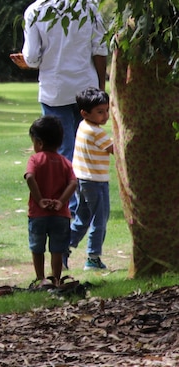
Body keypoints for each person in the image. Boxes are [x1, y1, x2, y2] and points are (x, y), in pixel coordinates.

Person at [10, 0, 109, 163]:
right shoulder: (87, 3)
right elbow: (99, 47)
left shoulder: (35, 11)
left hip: (55, 92)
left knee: (62, 150)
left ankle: (67, 195)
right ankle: (85, 194)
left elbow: (32, 56)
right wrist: (100, 86)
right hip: (86, 87)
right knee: (87, 150)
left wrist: (26, 63)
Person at [24, 116, 78, 288]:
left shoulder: (35, 159)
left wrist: (39, 200)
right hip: (60, 215)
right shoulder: (65, 163)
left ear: (38, 143)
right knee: (57, 249)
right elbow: (73, 183)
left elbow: (30, 177)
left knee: (37, 248)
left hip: (38, 214)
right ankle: (55, 279)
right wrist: (61, 201)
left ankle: (41, 279)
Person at [67, 87, 114, 271]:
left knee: (83, 217)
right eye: (100, 112)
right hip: (95, 181)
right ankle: (93, 258)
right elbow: (114, 149)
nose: (105, 116)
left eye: (106, 111)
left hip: (82, 179)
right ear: (84, 113)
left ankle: (63, 248)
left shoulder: (83, 126)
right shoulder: (97, 132)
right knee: (99, 219)